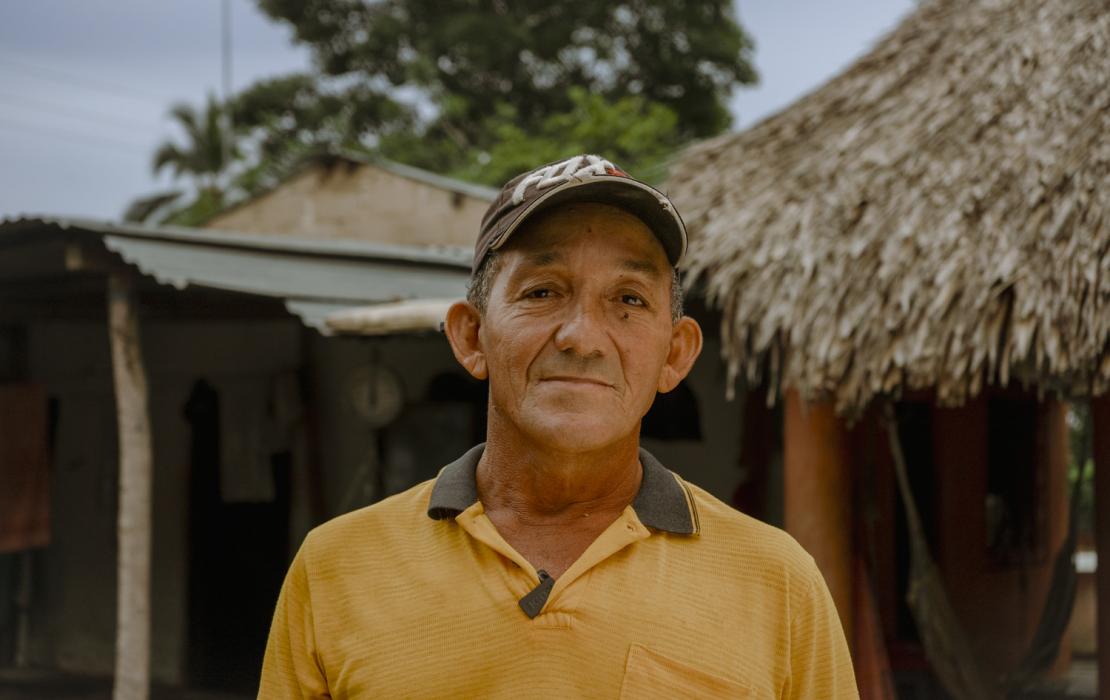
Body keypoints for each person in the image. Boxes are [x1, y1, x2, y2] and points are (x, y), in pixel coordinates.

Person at [259, 154, 859, 698]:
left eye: (628, 300)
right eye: (543, 291)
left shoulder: (778, 582)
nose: (582, 338)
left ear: (675, 354)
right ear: (472, 337)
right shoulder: (335, 567)